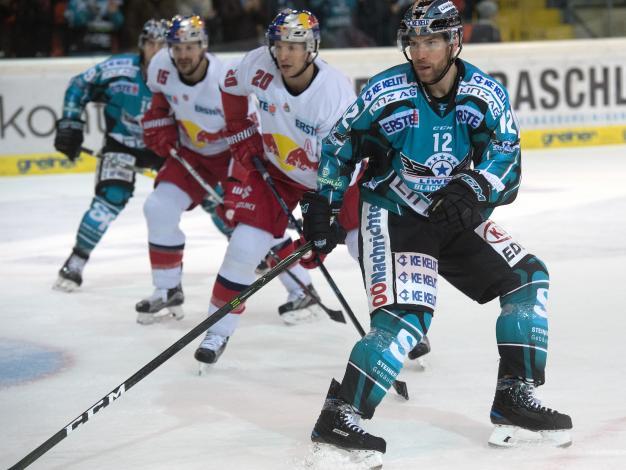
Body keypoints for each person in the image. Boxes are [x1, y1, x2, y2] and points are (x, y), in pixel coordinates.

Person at [302, 0, 572, 465]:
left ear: (454, 41)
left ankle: (513, 398)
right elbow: (339, 146)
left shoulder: (484, 94)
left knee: (528, 278)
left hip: (451, 213)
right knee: (406, 319)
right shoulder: (387, 92)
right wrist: (324, 203)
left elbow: (506, 157)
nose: (421, 53)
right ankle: (340, 417)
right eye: (414, 42)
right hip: (394, 213)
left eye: (431, 41)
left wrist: (475, 187)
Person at [192, 8, 361, 365]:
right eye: (279, 45)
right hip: (278, 171)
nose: (283, 55)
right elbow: (229, 84)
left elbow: (344, 164)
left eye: (294, 47)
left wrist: (326, 225)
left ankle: (397, 326)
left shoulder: (334, 93)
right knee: (243, 245)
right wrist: (239, 126)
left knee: (364, 246)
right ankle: (216, 331)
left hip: (336, 181)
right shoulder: (259, 64)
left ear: (312, 47)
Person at [53, 19, 168, 292]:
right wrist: (71, 123)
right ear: (142, 45)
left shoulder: (180, 76)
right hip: (122, 144)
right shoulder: (118, 70)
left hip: (166, 146)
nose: (157, 50)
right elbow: (78, 85)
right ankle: (77, 260)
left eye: (163, 45)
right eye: (152, 43)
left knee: (210, 192)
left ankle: (254, 251)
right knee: (109, 199)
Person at [135, 15, 234, 324]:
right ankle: (167, 290)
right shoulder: (162, 66)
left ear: (203, 46)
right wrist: (159, 127)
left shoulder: (225, 78)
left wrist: (242, 181)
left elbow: (249, 127)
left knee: (252, 226)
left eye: (190, 47)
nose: (183, 55)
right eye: (177, 48)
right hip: (191, 154)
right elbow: (159, 107)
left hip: (234, 155)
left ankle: (300, 291)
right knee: (158, 207)